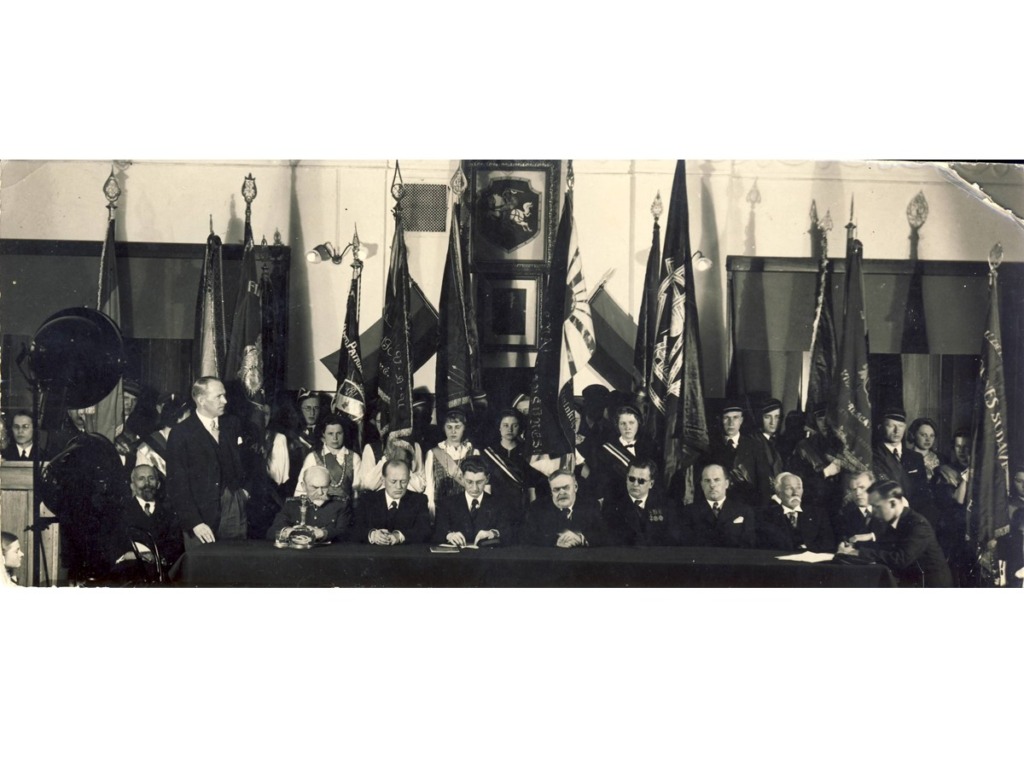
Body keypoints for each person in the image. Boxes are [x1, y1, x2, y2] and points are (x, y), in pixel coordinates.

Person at [166, 376, 249, 549]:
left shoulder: (232, 424)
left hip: (234, 510)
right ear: (201, 400)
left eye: (224, 395)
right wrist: (194, 522)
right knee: (202, 564)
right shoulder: (181, 433)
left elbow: (247, 461)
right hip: (201, 518)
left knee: (235, 560)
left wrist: (244, 493)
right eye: (219, 396)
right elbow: (177, 484)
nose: (225, 401)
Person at [837, 480, 953, 587]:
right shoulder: (896, 521)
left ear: (892, 503)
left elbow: (900, 559)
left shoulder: (918, 525)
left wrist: (857, 552)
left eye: (877, 507)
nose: (873, 512)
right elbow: (883, 548)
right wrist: (853, 548)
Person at [480, 410, 541, 542]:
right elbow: (486, 484)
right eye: (505, 425)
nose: (510, 429)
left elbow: (531, 485)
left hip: (520, 503)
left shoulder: (527, 451)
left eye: (515, 425)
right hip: (497, 501)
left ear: (520, 427)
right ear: (499, 427)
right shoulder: (490, 452)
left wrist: (532, 508)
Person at [114, 463, 185, 573]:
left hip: (162, 571)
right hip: (129, 571)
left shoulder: (170, 514)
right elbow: (112, 544)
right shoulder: (119, 512)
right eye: (141, 479)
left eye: (151, 478)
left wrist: (157, 557)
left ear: (158, 484)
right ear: (132, 486)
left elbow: (176, 546)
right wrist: (131, 555)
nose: (147, 483)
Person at [600, 458, 682, 546]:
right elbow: (609, 538)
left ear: (651, 484)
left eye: (641, 481)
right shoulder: (612, 505)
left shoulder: (666, 505)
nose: (635, 484)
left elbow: (673, 539)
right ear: (626, 479)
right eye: (631, 479)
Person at [433, 457, 509, 547]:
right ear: (461, 478)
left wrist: (493, 533)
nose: (474, 488)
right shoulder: (447, 503)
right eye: (469, 482)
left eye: (479, 482)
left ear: (487, 479)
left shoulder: (499, 503)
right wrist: (449, 535)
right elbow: (437, 533)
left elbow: (509, 532)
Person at [353, 459, 432, 545]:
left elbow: (425, 531)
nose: (398, 487)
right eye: (393, 481)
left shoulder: (419, 500)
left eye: (403, 481)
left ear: (409, 480)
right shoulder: (367, 500)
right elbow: (355, 529)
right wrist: (372, 534)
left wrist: (399, 536)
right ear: (383, 480)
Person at [268, 465, 353, 544]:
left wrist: (323, 533)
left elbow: (347, 536)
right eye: (314, 488)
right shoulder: (292, 505)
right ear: (304, 486)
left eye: (324, 487)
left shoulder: (340, 505)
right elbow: (271, 533)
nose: (320, 493)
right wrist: (288, 532)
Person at [590, 404, 658, 504]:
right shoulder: (605, 450)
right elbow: (602, 483)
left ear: (638, 423)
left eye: (631, 423)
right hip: (617, 500)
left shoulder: (650, 446)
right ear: (617, 425)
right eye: (623, 423)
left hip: (645, 500)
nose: (627, 427)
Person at [295, 414, 361, 514]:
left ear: (344, 434)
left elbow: (358, 491)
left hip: (345, 512)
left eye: (339, 433)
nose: (335, 438)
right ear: (323, 434)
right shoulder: (312, 457)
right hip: (318, 512)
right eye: (330, 434)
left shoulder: (354, 457)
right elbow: (300, 491)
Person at [679, 464, 757, 548]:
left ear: (726, 483)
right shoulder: (688, 512)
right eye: (707, 481)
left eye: (717, 480)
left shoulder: (744, 511)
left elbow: (749, 545)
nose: (712, 485)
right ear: (702, 485)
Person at [756, 472, 836, 552]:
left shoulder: (818, 514)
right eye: (789, 488)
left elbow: (828, 544)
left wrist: (807, 548)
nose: (795, 493)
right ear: (779, 493)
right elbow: (766, 546)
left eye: (798, 488)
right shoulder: (767, 516)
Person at [524, 469, 604, 547]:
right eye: (556, 489)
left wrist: (581, 539)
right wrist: (556, 541)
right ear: (551, 492)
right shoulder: (537, 508)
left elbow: (602, 535)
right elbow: (527, 538)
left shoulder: (590, 505)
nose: (562, 493)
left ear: (575, 487)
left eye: (566, 487)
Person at [424, 409, 479, 515]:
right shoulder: (432, 453)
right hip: (442, 510)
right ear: (444, 428)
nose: (453, 431)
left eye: (457, 427)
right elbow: (430, 488)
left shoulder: (473, 452)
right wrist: (431, 515)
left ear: (464, 428)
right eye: (449, 427)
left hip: (466, 510)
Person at [872, 408, 929, 508]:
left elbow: (923, 494)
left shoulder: (916, 457)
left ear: (905, 427)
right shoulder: (873, 455)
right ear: (880, 427)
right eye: (891, 426)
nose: (897, 431)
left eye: (900, 426)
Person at [732, 397, 784, 508]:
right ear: (760, 418)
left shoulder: (780, 441)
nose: (773, 422)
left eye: (777, 417)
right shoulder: (751, 442)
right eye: (767, 417)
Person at [832, 470, 887, 543]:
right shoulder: (844, 514)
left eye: (862, 487)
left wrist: (872, 536)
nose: (857, 493)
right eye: (854, 489)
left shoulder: (887, 509)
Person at [907, 417, 943, 481]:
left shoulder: (941, 459)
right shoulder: (905, 457)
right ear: (913, 434)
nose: (928, 439)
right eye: (924, 435)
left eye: (931, 436)